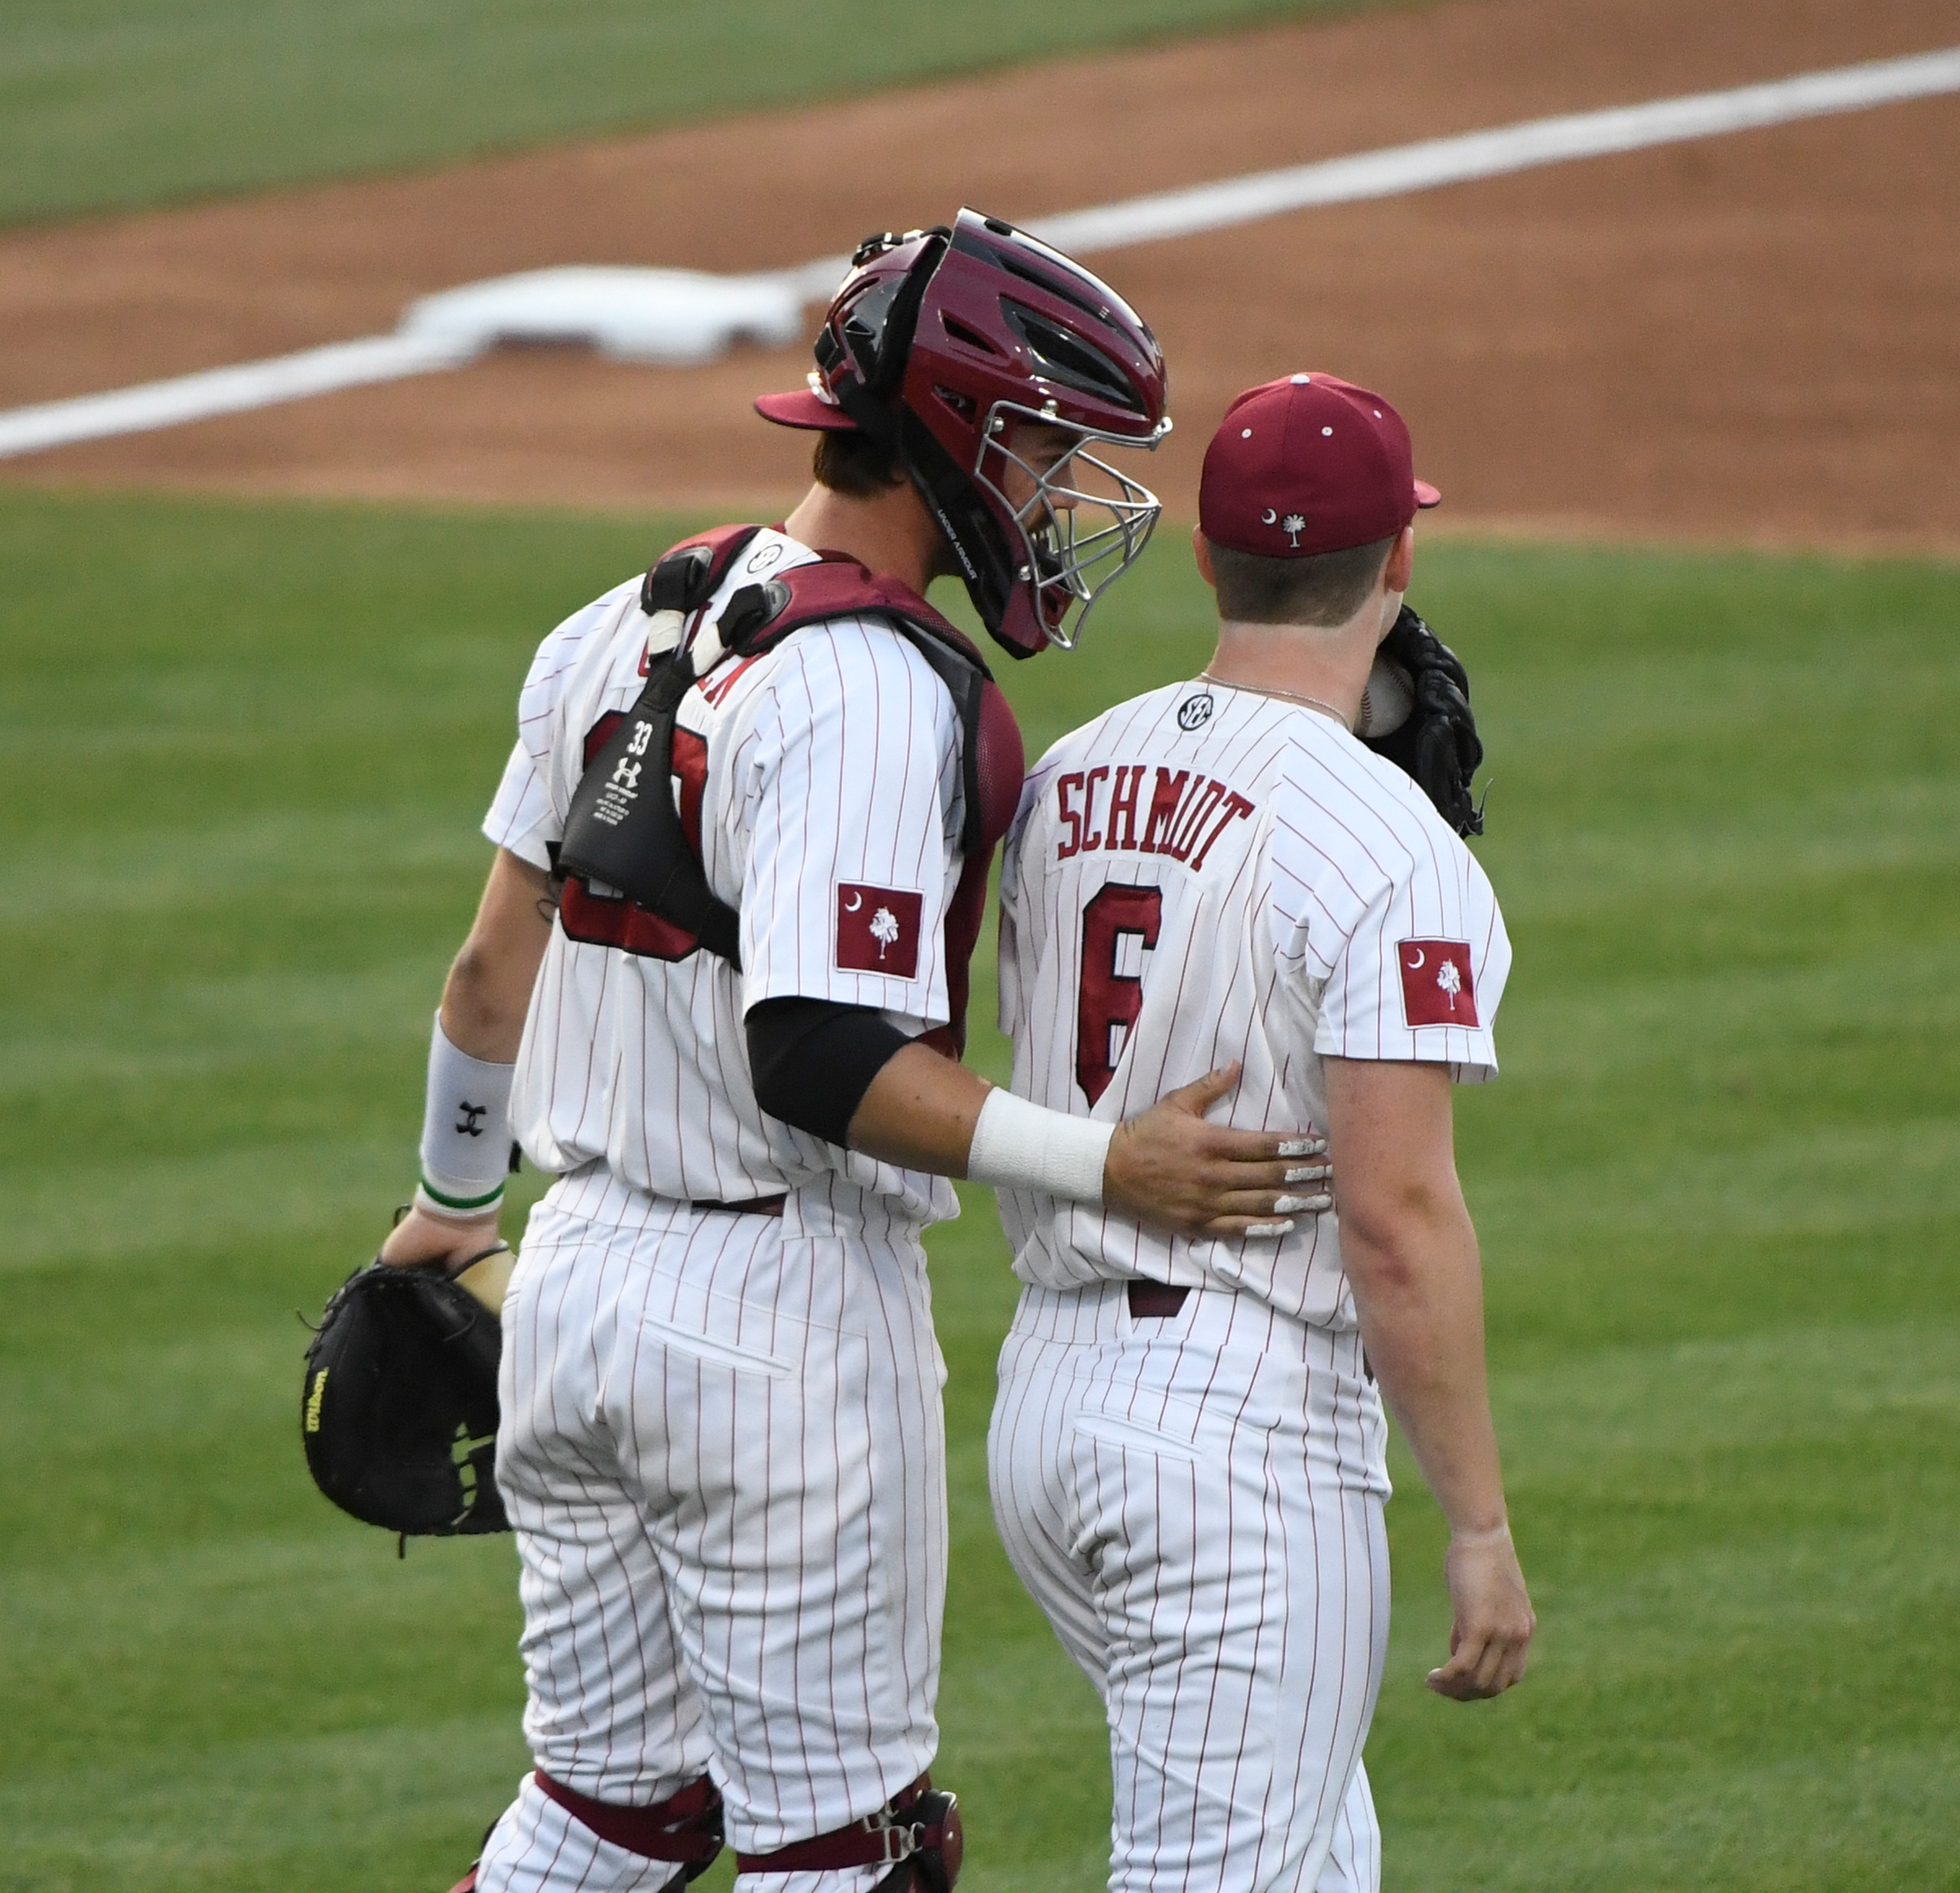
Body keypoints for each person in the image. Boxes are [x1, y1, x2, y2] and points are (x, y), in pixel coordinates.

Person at [377, 214, 1310, 1893]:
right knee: (849, 1853)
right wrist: (1111, 1160)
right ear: (960, 431)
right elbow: (817, 1051)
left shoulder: (624, 621)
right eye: (1047, 452)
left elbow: (481, 972)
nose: (1060, 497)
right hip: (773, 1338)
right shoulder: (870, 689)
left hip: (575, 1290)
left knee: (611, 1811)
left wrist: (449, 1207)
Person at [987, 372, 1537, 1893]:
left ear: (1212, 561)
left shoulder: (1063, 773)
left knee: (1308, 1845)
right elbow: (1396, 1219)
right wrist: (1478, 1524)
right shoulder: (1387, 840)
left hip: (1046, 1407)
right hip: (1231, 1437)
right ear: (1400, 563)